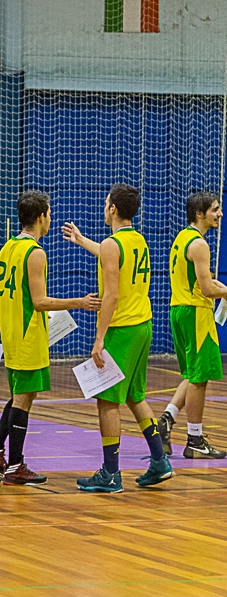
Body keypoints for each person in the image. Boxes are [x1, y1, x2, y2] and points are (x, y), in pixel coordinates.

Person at [0, 191, 100, 484]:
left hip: (11, 333)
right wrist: (80, 302)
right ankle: (15, 466)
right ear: (41, 216)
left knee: (20, 396)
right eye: (49, 213)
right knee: (22, 400)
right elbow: (40, 302)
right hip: (27, 336)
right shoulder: (35, 253)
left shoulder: (8, 246)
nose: (50, 218)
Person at [62, 184, 175, 492]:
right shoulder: (137, 239)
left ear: (112, 208)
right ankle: (160, 462)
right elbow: (111, 255)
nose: (104, 207)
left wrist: (99, 339)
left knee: (107, 400)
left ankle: (110, 473)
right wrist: (82, 240)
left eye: (105, 203)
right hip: (143, 325)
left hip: (122, 328)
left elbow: (110, 295)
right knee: (134, 396)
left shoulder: (113, 244)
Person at [156, 192, 227, 459]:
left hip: (178, 309)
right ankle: (195, 440)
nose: (219, 214)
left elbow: (200, 282)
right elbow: (207, 289)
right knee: (199, 379)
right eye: (215, 209)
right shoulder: (199, 244)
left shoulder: (181, 238)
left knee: (192, 374)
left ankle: (167, 417)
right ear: (200, 213)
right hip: (196, 313)